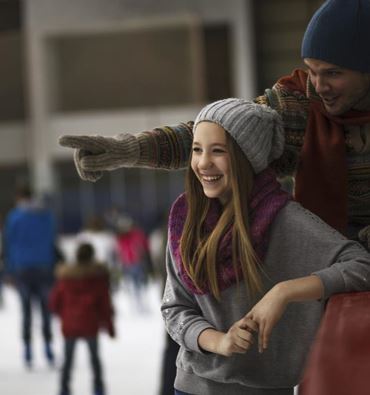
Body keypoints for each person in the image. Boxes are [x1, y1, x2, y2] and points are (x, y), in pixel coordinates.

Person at [58, 0, 370, 391]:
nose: (318, 85)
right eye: (311, 71)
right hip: (220, 362)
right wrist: (132, 149)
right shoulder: (299, 107)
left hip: (331, 276)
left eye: (334, 73)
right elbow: (218, 133)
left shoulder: (290, 226)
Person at [161, 98, 370, 395]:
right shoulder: (186, 218)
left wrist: (284, 292)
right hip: (190, 387)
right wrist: (218, 341)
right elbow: (176, 308)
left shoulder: (285, 220)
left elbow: (361, 266)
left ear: (247, 158)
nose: (203, 162)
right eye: (197, 149)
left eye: (218, 150)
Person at [49, 243, 115, 395]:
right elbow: (105, 306)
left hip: (70, 324)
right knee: (94, 358)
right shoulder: (98, 278)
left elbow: (54, 303)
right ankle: (98, 387)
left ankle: (64, 388)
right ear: (92, 256)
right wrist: (110, 326)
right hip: (90, 324)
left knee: (67, 359)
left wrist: (65, 315)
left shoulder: (65, 278)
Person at [3, 185, 57, 367]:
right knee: (45, 310)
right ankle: (48, 346)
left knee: (26, 311)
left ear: (19, 197)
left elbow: (9, 244)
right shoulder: (46, 214)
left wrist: (8, 271)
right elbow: (52, 239)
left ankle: (27, 349)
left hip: (22, 268)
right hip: (44, 267)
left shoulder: (14, 217)